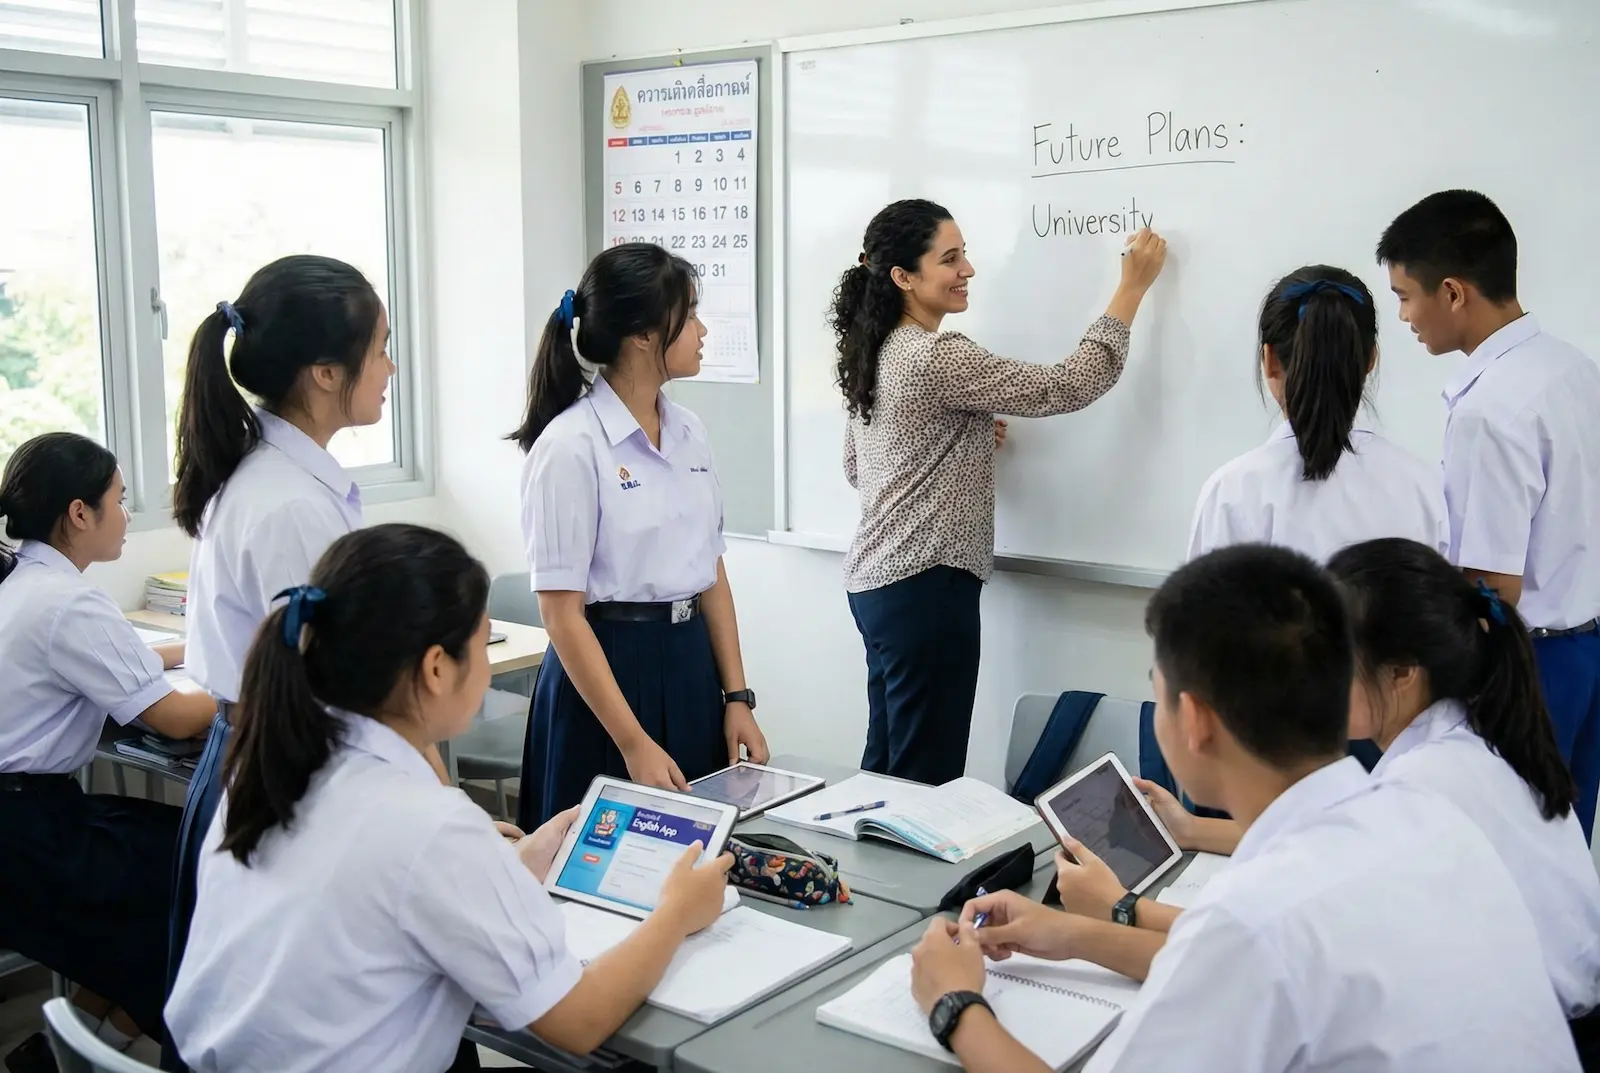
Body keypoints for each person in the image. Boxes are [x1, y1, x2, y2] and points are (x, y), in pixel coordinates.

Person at [910, 544, 1577, 1073]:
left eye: (1158, 689)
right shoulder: (1427, 819)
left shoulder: (1254, 914)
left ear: (1195, 720)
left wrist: (954, 1004)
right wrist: (1071, 934)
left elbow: (1252, 946)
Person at [164, 524, 734, 1073]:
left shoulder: (272, 769)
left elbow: (376, 894)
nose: (486, 666)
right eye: (483, 644)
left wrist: (511, 866)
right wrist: (677, 912)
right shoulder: (428, 824)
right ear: (437, 668)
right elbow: (579, 1021)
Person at [833, 198, 1167, 785]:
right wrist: (1131, 291)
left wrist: (959, 437)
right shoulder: (936, 354)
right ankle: (909, 881)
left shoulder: (876, 350)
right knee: (926, 779)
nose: (968, 270)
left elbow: (859, 467)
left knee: (887, 769)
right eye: (950, 258)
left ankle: (864, 880)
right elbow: (1066, 385)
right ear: (902, 277)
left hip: (878, 583)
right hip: (927, 586)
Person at [164, 254, 399, 1063]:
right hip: (284, 771)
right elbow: (340, 694)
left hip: (259, 761)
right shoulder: (291, 503)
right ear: (326, 372)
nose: (391, 369)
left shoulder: (276, 479)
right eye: (381, 350)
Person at [510, 243, 767, 829]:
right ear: (645, 336)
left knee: (697, 858)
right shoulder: (570, 447)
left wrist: (736, 699)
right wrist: (632, 742)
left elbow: (712, 573)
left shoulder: (690, 431)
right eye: (691, 314)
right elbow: (561, 615)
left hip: (689, 663)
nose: (703, 330)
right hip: (604, 677)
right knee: (597, 875)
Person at [1378, 190, 1600, 839]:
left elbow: (1491, 584)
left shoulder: (1490, 408)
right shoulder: (1574, 370)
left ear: (1452, 292)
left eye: (1404, 295)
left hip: (1528, 671)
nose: (1403, 316)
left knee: (1504, 860)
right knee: (1561, 854)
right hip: (1586, 652)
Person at [1328, 538, 1600, 1060]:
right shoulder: (1476, 732)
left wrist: (1128, 920)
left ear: (1402, 672)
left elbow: (1312, 962)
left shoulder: (1425, 783)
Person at [0, 434, 214, 1071]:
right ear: (78, 513)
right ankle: (86, 1052)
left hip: (28, 818)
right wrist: (254, 680)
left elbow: (111, 661)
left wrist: (193, 651)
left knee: (176, 862)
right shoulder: (70, 601)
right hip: (31, 835)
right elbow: (176, 718)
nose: (127, 513)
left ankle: (67, 1049)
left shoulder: (26, 582)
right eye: (120, 500)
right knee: (193, 886)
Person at [1187, 265, 1446, 562]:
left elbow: (1203, 605)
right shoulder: (1423, 488)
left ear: (1269, 359)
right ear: (1371, 359)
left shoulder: (1232, 493)